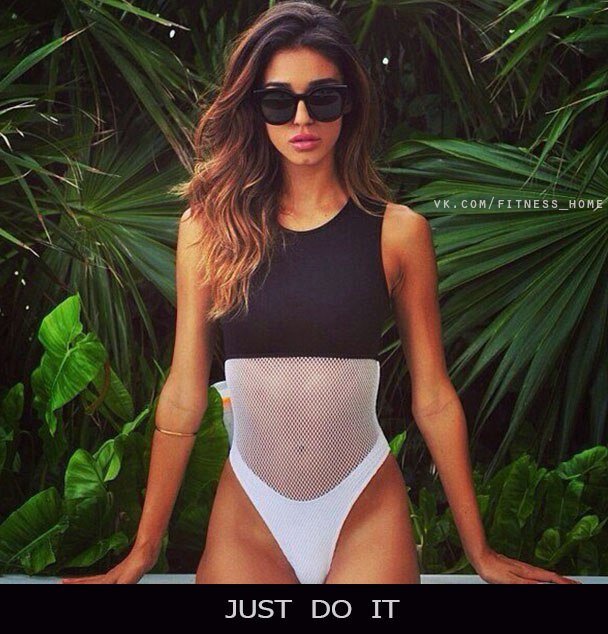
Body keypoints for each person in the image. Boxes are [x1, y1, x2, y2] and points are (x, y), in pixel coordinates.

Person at [62, 0, 579, 585]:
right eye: (278, 101)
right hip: (250, 514)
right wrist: (143, 551)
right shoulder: (209, 231)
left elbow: (433, 397)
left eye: (323, 97)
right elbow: (184, 391)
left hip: (365, 507)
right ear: (254, 108)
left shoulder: (398, 233)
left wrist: (479, 554)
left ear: (348, 103)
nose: (301, 118)